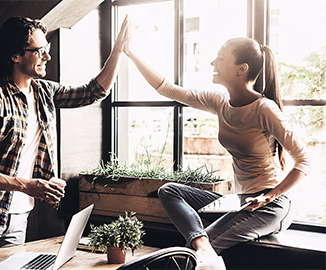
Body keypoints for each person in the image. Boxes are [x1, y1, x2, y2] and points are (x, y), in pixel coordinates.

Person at [123, 29, 310, 269]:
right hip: (240, 202)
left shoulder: (264, 109)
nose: (213, 62)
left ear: (240, 69)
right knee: (170, 191)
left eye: (221, 58)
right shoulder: (220, 102)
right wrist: (130, 52)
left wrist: (268, 196)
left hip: (271, 206)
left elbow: (304, 161)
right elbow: (166, 88)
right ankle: (202, 244)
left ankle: (201, 248)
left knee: (186, 257)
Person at [0, 16, 130, 256]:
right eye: (39, 51)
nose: (48, 57)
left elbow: (93, 92)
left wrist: (117, 51)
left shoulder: (45, 92)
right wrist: (27, 185)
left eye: (48, 49)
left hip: (19, 216)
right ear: (15, 56)